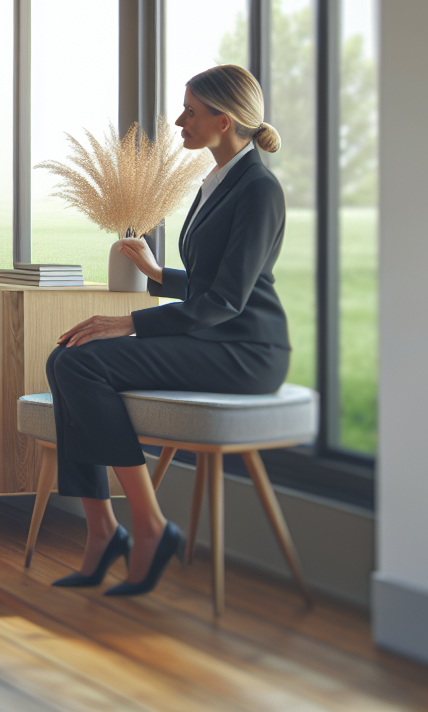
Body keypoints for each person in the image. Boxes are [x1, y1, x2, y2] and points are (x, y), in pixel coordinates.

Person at [46, 63, 290, 597]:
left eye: (191, 112)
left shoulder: (258, 190)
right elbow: (211, 283)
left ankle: (150, 526)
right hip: (213, 337)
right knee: (65, 355)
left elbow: (227, 300)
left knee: (83, 359)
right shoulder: (219, 180)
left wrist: (129, 322)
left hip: (246, 352)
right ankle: (102, 530)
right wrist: (160, 276)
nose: (180, 121)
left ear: (224, 121)